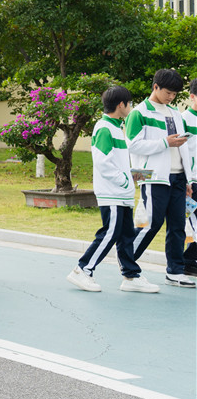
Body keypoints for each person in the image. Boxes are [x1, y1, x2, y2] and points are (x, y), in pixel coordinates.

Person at [67, 86, 159, 293]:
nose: (131, 107)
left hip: (121, 193)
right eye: (130, 103)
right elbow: (103, 162)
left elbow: (119, 163)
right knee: (110, 233)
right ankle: (82, 270)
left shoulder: (117, 127)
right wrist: (125, 181)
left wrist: (137, 175)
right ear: (121, 105)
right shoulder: (104, 128)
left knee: (126, 235)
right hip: (113, 192)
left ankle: (130, 276)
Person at [127, 69, 195, 288]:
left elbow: (183, 148)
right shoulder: (139, 112)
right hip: (153, 177)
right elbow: (133, 145)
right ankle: (126, 262)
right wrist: (165, 143)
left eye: (175, 94)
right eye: (168, 92)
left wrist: (188, 180)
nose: (171, 97)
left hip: (177, 177)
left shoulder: (175, 113)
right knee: (152, 223)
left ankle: (175, 271)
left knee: (177, 225)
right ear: (155, 86)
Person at [183, 79, 197, 277]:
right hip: (192, 181)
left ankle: (188, 261)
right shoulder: (183, 119)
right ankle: (185, 262)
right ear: (192, 97)